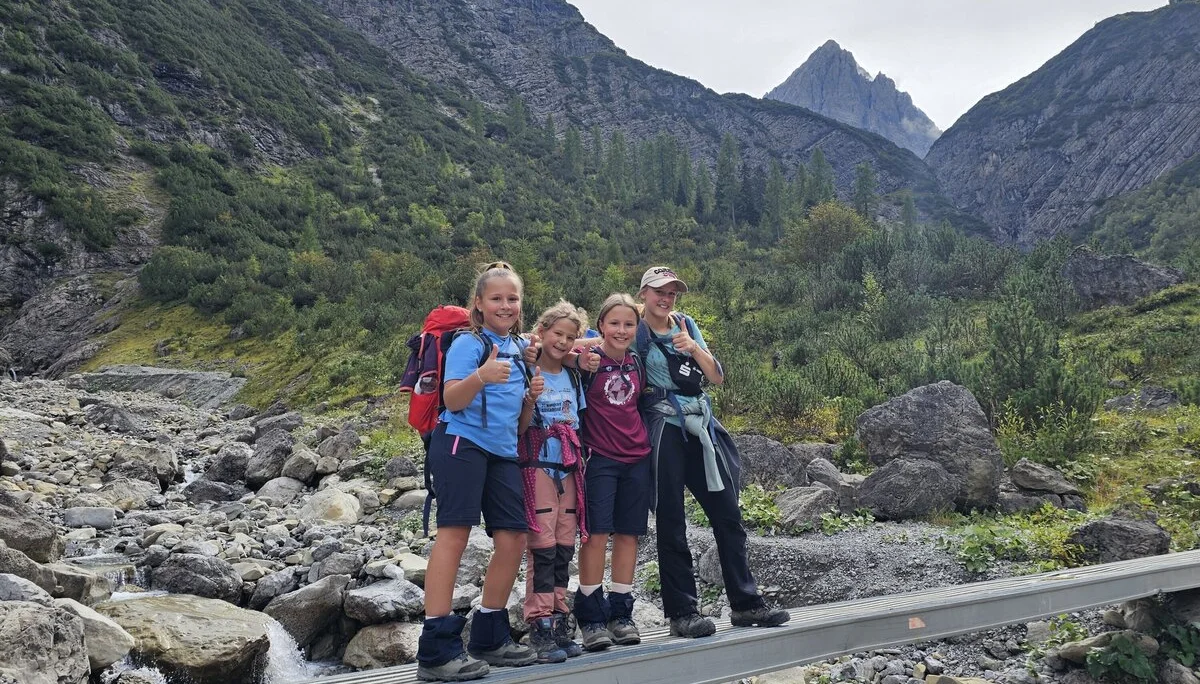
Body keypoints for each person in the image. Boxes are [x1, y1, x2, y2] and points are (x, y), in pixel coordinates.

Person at [636, 266, 790, 638]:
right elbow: (601, 343)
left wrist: (693, 349)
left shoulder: (686, 324)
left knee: (728, 514)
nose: (666, 298)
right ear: (643, 293)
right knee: (671, 522)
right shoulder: (634, 329)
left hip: (700, 425)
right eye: (659, 291)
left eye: (672, 292)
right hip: (664, 429)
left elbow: (716, 375)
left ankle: (746, 603)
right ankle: (683, 612)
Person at [417, 262, 540, 682]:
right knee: (454, 535)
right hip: (460, 444)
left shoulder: (521, 349)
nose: (505, 305)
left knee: (513, 537)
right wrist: (482, 376)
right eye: (496, 298)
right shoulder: (469, 344)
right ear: (479, 304)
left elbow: (520, 426)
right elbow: (452, 400)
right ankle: (435, 650)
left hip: (503, 451)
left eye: (512, 298)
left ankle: (489, 635)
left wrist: (528, 401)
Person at [572, 293, 653, 651]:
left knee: (629, 534)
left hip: (638, 457)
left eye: (629, 324)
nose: (621, 330)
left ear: (637, 328)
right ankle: (590, 615)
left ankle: (621, 611)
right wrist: (583, 348)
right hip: (600, 458)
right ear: (601, 325)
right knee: (595, 534)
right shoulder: (587, 362)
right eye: (614, 323)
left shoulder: (636, 362)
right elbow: (546, 342)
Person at [517, 301, 590, 664]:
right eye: (556, 333)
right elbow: (518, 425)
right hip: (538, 465)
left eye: (569, 337)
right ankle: (539, 622)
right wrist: (531, 396)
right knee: (542, 547)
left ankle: (560, 617)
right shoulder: (526, 368)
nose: (562, 341)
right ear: (541, 332)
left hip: (570, 467)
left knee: (564, 545)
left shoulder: (573, 374)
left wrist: (580, 355)